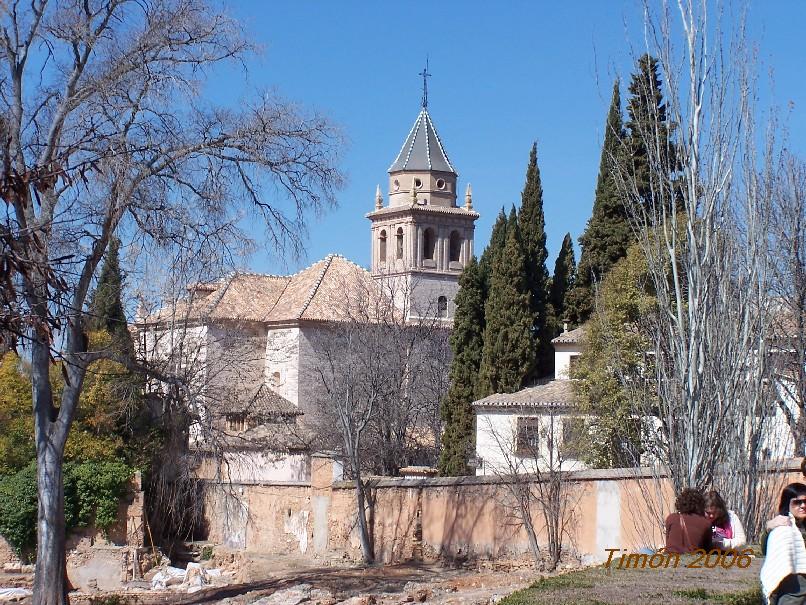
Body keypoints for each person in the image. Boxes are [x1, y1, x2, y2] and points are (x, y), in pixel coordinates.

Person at [760, 482, 806, 605]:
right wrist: (767, 528)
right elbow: (766, 551)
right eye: (797, 502)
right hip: (793, 589)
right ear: (787, 504)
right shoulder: (781, 527)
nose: (803, 506)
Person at [665, 488, 712, 554]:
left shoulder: (671, 518)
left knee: (645, 550)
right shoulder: (706, 523)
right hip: (692, 560)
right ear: (701, 504)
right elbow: (707, 549)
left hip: (670, 560)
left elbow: (668, 543)